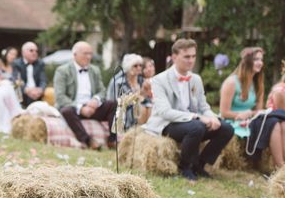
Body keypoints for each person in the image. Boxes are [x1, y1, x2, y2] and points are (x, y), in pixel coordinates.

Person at [144, 38, 234, 181]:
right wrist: (196, 117)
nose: (191, 60)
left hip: (192, 123)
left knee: (226, 128)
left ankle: (200, 164)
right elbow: (164, 112)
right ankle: (184, 167)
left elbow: (203, 107)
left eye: (193, 56)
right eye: (186, 57)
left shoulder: (196, 79)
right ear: (174, 57)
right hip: (168, 123)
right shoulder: (159, 80)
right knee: (197, 127)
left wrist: (213, 118)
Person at [54, 41, 117, 150]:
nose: (88, 57)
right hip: (74, 108)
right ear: (75, 55)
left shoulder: (94, 70)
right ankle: (88, 141)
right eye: (85, 53)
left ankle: (112, 140)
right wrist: (81, 108)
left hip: (92, 107)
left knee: (113, 104)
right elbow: (60, 97)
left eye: (90, 54)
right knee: (66, 110)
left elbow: (102, 90)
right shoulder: (62, 71)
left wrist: (95, 100)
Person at [247, 60, 285, 169]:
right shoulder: (280, 90)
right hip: (272, 119)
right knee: (282, 124)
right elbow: (281, 113)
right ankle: (281, 168)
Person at [219, 47, 264, 139]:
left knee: (274, 124)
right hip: (232, 121)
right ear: (247, 62)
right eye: (256, 59)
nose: (260, 63)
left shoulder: (258, 84)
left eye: (261, 59)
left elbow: (258, 111)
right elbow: (224, 113)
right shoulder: (231, 82)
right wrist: (240, 115)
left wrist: (250, 114)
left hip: (250, 120)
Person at [106, 53, 153, 131]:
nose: (139, 68)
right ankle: (137, 132)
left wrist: (146, 93)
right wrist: (139, 95)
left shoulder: (142, 81)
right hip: (123, 112)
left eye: (140, 65)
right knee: (142, 109)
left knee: (149, 107)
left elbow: (147, 100)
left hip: (141, 111)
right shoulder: (119, 82)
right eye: (135, 66)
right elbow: (117, 103)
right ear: (128, 67)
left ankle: (148, 133)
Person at [13, 41, 47, 108]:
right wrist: (27, 90)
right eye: (31, 50)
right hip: (24, 94)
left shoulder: (40, 63)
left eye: (36, 51)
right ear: (23, 53)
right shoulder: (16, 64)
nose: (35, 53)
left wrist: (40, 90)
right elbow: (16, 80)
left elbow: (43, 80)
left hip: (37, 94)